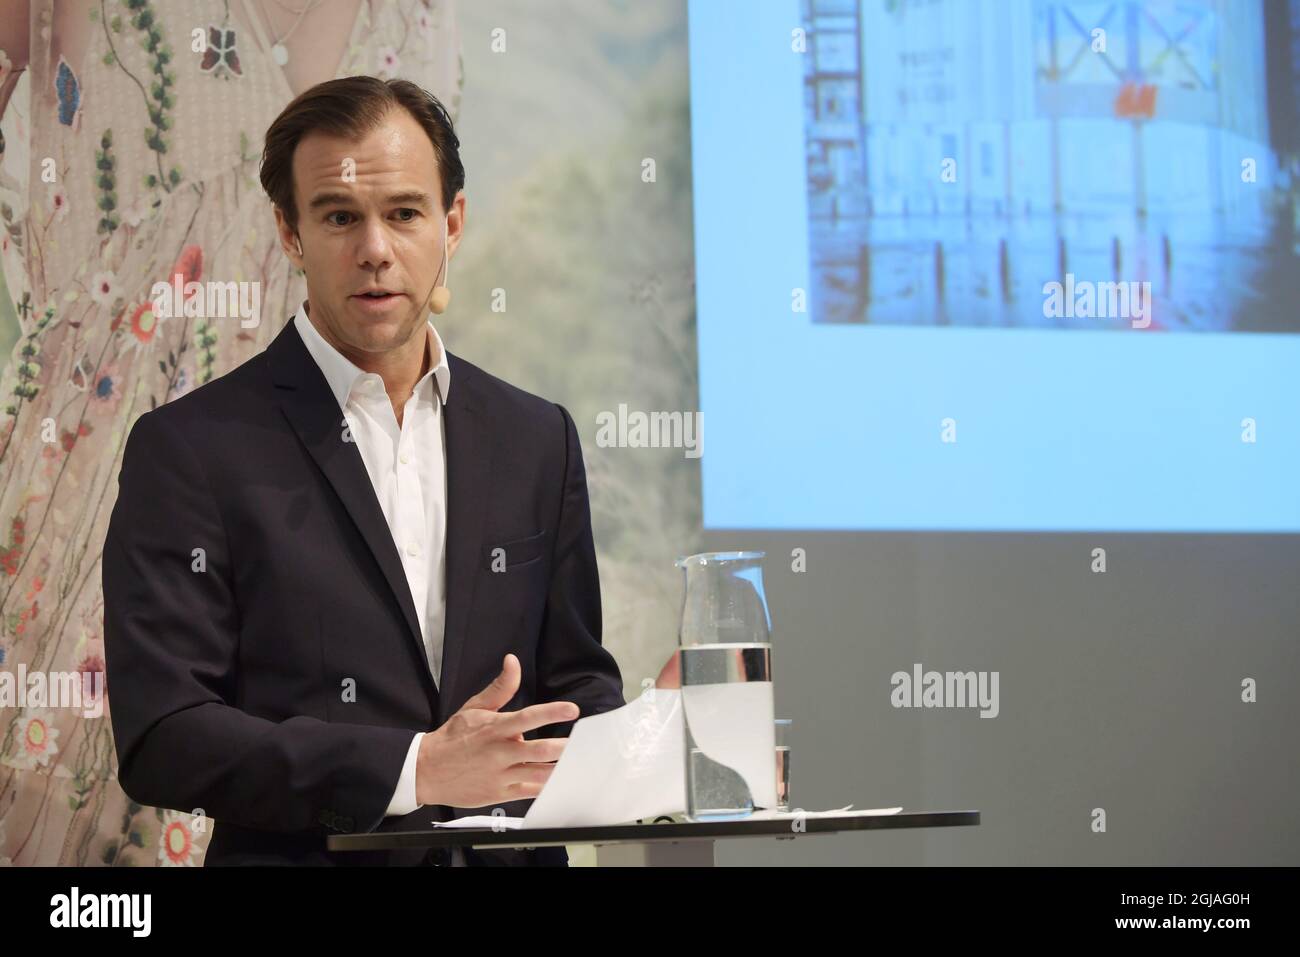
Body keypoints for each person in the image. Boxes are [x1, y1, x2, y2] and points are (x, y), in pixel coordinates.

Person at [101, 75, 625, 866]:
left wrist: (642, 743)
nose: (375, 249)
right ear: (290, 232)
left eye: (405, 213)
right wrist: (414, 770)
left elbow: (577, 685)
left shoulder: (536, 437)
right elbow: (164, 733)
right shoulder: (190, 449)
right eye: (340, 216)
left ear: (453, 222)